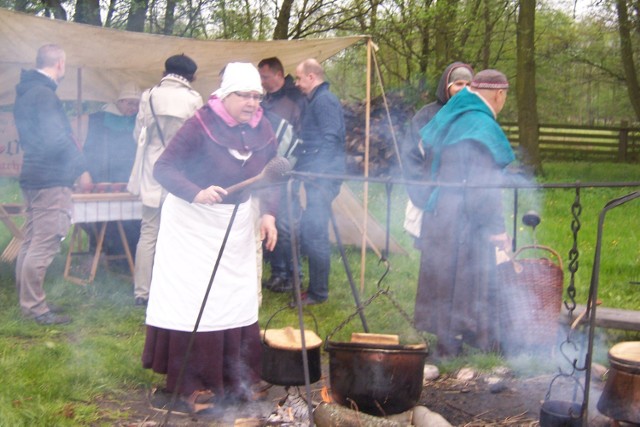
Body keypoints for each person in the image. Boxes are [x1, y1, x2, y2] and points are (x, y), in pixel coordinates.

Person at [141, 62, 278, 413]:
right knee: (195, 302)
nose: (251, 103)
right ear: (225, 95)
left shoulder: (262, 128)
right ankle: (193, 383)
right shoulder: (199, 123)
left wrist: (268, 214)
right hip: (192, 223)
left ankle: (237, 377)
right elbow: (163, 168)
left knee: (235, 298)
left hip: (234, 224)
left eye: (256, 96)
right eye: (243, 95)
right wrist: (195, 192)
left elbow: (271, 175)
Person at [410, 69, 515, 357]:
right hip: (462, 216)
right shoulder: (479, 125)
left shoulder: (453, 114)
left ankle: (448, 341)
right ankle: (453, 343)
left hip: (441, 210)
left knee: (444, 277)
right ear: (499, 94)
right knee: (462, 278)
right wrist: (497, 228)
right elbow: (483, 187)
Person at [13, 44, 92, 325]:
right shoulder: (44, 95)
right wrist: (81, 168)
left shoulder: (27, 92)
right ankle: (35, 308)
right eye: (65, 64)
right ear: (59, 63)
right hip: (50, 177)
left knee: (32, 241)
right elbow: (56, 138)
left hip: (34, 174)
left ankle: (29, 303)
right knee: (43, 243)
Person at [129, 54, 203, 307]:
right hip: (181, 171)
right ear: (190, 76)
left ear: (166, 71)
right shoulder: (194, 99)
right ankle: (173, 288)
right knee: (180, 233)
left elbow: (138, 134)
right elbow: (198, 141)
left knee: (148, 232)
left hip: (152, 169)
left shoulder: (149, 96)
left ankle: (142, 292)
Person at [292, 58, 346, 306]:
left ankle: (318, 293)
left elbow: (331, 137)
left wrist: (317, 171)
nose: (296, 83)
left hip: (323, 178)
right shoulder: (316, 100)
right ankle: (314, 288)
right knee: (312, 231)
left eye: (299, 78)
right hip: (317, 176)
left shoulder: (324, 100)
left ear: (311, 77)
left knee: (316, 234)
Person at [402, 62, 474, 226]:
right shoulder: (427, 116)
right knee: (433, 250)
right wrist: (423, 195)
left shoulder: (475, 116)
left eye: (468, 84)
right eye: (459, 84)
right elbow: (411, 156)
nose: (464, 88)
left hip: (466, 203)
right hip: (432, 200)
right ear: (447, 86)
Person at [258, 57, 305, 293]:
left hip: (288, 171)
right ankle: (278, 273)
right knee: (271, 220)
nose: (262, 81)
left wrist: (288, 168)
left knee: (287, 225)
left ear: (278, 74)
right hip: (268, 172)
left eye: (265, 77)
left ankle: (294, 276)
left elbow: (299, 138)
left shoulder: (295, 100)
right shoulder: (265, 101)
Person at [83, 82, 141, 258]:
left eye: (137, 104)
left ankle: (126, 257)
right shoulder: (99, 119)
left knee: (131, 220)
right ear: (120, 102)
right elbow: (90, 148)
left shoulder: (140, 121)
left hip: (129, 175)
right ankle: (102, 252)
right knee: (100, 219)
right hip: (103, 174)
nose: (133, 108)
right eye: (130, 103)